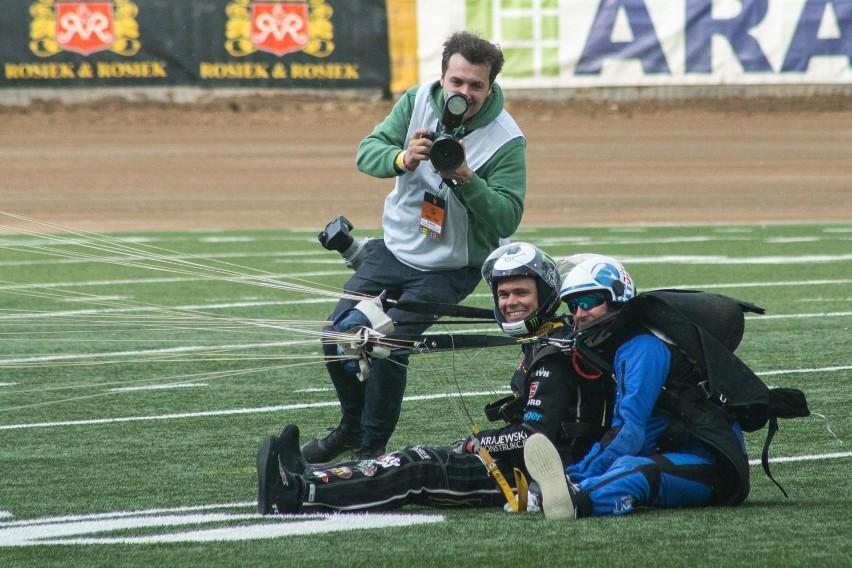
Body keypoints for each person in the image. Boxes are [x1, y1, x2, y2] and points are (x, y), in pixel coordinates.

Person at [303, 30, 527, 464]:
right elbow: (368, 152)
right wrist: (403, 158)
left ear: (491, 86)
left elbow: (507, 216)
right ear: (443, 77)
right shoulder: (416, 101)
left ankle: (372, 447)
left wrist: (464, 177)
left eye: (476, 85)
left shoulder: (505, 139)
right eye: (457, 82)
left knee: (385, 344)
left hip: (452, 267)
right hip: (396, 249)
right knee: (336, 336)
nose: (464, 93)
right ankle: (350, 429)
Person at [257, 243, 610, 514]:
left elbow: (534, 437)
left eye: (521, 293)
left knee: (416, 468)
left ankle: (300, 493)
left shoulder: (555, 355)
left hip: (533, 476)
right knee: (412, 459)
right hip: (517, 463)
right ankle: (306, 476)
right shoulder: (548, 339)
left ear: (544, 295)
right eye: (503, 294)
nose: (510, 302)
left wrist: (477, 443)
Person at [522, 254, 766, 520]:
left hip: (716, 470)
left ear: (617, 296)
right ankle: (562, 491)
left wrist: (574, 476)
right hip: (674, 454)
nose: (579, 313)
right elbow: (648, 428)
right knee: (624, 462)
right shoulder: (624, 344)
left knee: (635, 472)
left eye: (589, 301)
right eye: (573, 305)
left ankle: (577, 501)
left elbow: (631, 431)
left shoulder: (641, 347)